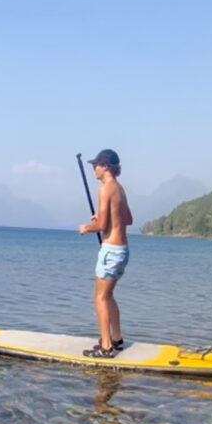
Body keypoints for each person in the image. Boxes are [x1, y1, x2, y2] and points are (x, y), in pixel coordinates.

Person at [79, 148, 132, 358]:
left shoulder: (104, 189)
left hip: (111, 250)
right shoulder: (119, 189)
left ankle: (106, 346)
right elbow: (127, 220)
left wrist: (87, 228)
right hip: (122, 250)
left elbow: (101, 225)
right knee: (108, 296)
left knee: (99, 297)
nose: (94, 169)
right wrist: (106, 217)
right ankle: (117, 339)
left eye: (96, 165)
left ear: (107, 167)